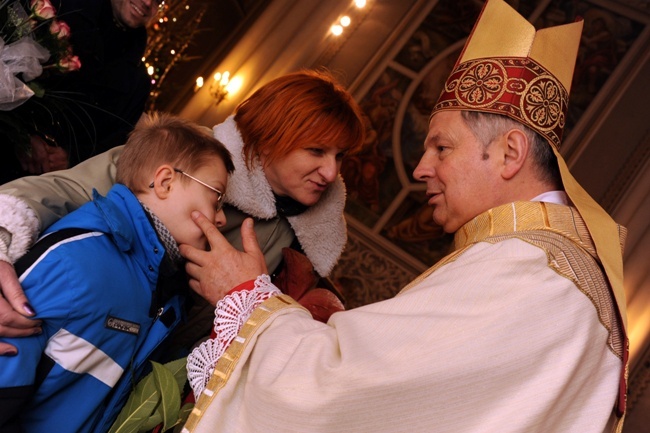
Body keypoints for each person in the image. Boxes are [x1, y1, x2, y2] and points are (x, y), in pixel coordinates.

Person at [175, 1, 629, 432]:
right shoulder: (558, 273)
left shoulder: (526, 272)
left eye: (442, 148)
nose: (420, 169)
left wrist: (243, 295)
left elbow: (339, 387)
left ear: (510, 153)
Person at [0, 69, 365, 357]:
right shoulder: (191, 154)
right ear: (272, 135)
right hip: (55, 324)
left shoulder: (307, 248)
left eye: (340, 156)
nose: (331, 173)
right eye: (316, 150)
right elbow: (65, 190)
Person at [0, 112, 235, 433]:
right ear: (165, 181)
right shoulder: (80, 256)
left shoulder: (168, 291)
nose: (221, 220)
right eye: (217, 197)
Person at [2, 0, 157, 182]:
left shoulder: (137, 83)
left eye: (158, 1)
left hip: (49, 182)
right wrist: (24, 136)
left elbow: (112, 144)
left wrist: (69, 157)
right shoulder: (63, 6)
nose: (147, 2)